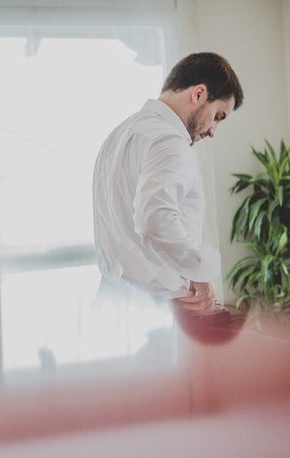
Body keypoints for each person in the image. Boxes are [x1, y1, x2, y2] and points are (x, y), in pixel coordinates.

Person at [92, 52, 244, 316]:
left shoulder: (118, 135)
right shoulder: (168, 141)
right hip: (160, 309)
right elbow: (155, 218)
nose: (212, 130)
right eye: (218, 115)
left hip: (113, 299)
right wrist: (198, 272)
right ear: (198, 94)